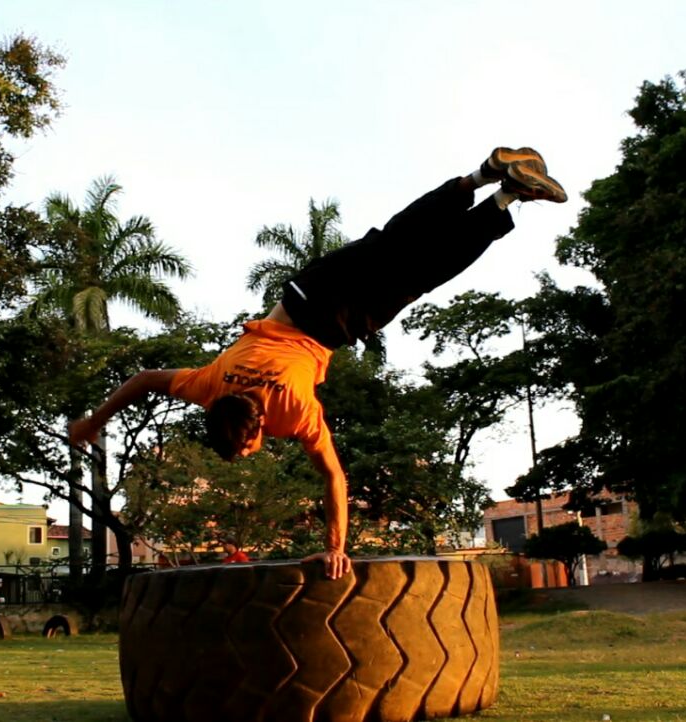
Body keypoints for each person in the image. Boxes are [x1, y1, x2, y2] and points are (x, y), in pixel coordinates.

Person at [70, 147, 567, 580]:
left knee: (430, 267)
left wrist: (336, 547)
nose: (249, 456)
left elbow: (333, 476)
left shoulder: (292, 409)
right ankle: (484, 175)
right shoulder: (209, 384)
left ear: (256, 426)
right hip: (306, 290)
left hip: (339, 321)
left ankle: (505, 199)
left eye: (247, 451)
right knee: (398, 237)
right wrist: (96, 420)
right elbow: (144, 381)